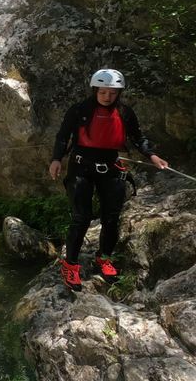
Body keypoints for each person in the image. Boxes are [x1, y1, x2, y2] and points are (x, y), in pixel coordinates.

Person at [50, 68, 168, 292]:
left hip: (111, 166)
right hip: (81, 166)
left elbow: (138, 138)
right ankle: (70, 264)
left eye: (112, 93)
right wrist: (56, 159)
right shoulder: (79, 110)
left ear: (119, 93)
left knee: (111, 218)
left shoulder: (125, 112)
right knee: (81, 217)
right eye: (103, 92)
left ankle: (104, 258)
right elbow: (63, 136)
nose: (107, 97)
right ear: (95, 90)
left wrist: (152, 156)